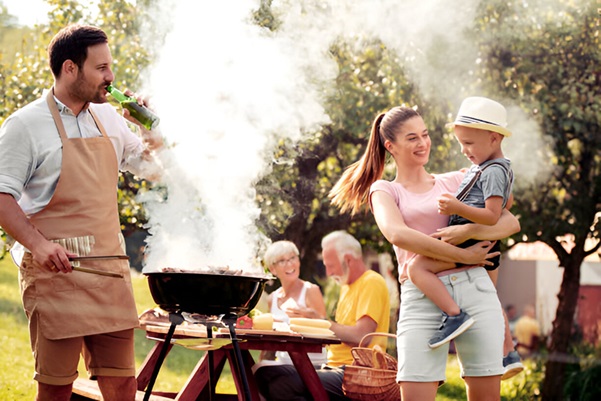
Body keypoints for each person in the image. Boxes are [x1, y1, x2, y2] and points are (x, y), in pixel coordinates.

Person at [0, 24, 162, 401]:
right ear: (70, 68)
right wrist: (38, 246)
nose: (111, 77)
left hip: (108, 271)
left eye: (111, 67)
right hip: (55, 273)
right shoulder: (24, 125)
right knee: (56, 389)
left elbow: (152, 171)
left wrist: (152, 131)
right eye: (101, 68)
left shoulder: (110, 118)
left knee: (123, 385)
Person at [329, 104, 521, 400]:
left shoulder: (458, 180)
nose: (423, 143)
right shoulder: (385, 191)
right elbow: (398, 234)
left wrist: (467, 231)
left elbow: (509, 221)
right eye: (412, 138)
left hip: (475, 290)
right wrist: (461, 255)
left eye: (425, 134)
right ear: (390, 146)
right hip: (422, 299)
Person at [403, 97, 523, 379]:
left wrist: (459, 211)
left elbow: (495, 214)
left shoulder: (493, 170)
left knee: (417, 268)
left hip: (468, 239)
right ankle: (508, 353)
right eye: (461, 143)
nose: (463, 150)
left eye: (469, 143)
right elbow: (506, 201)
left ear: (494, 139)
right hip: (472, 239)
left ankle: (454, 314)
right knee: (492, 297)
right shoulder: (486, 167)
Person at [254, 230, 390, 401]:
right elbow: (339, 333)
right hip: (333, 367)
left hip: (357, 371)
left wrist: (319, 321)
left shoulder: (371, 282)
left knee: (281, 385)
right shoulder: (347, 287)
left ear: (348, 259)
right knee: (262, 374)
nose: (328, 272)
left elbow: (361, 337)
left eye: (330, 265)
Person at [263, 240, 328, 365]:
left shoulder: (310, 290)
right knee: (256, 370)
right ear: (272, 269)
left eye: (292, 258)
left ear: (298, 261)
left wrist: (313, 318)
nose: (289, 264)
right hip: (284, 361)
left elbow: (325, 334)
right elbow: (269, 344)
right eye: (282, 261)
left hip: (311, 363)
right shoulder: (272, 298)